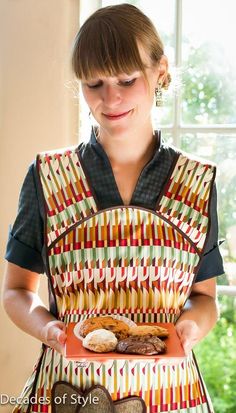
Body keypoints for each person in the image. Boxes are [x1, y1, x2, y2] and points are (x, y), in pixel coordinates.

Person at [2, 3, 224, 413]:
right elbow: (16, 291)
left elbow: (204, 297)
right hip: (68, 392)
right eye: (94, 83)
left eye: (126, 78)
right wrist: (50, 329)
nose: (111, 98)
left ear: (160, 70)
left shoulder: (197, 182)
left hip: (170, 396)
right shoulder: (48, 175)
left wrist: (192, 327)